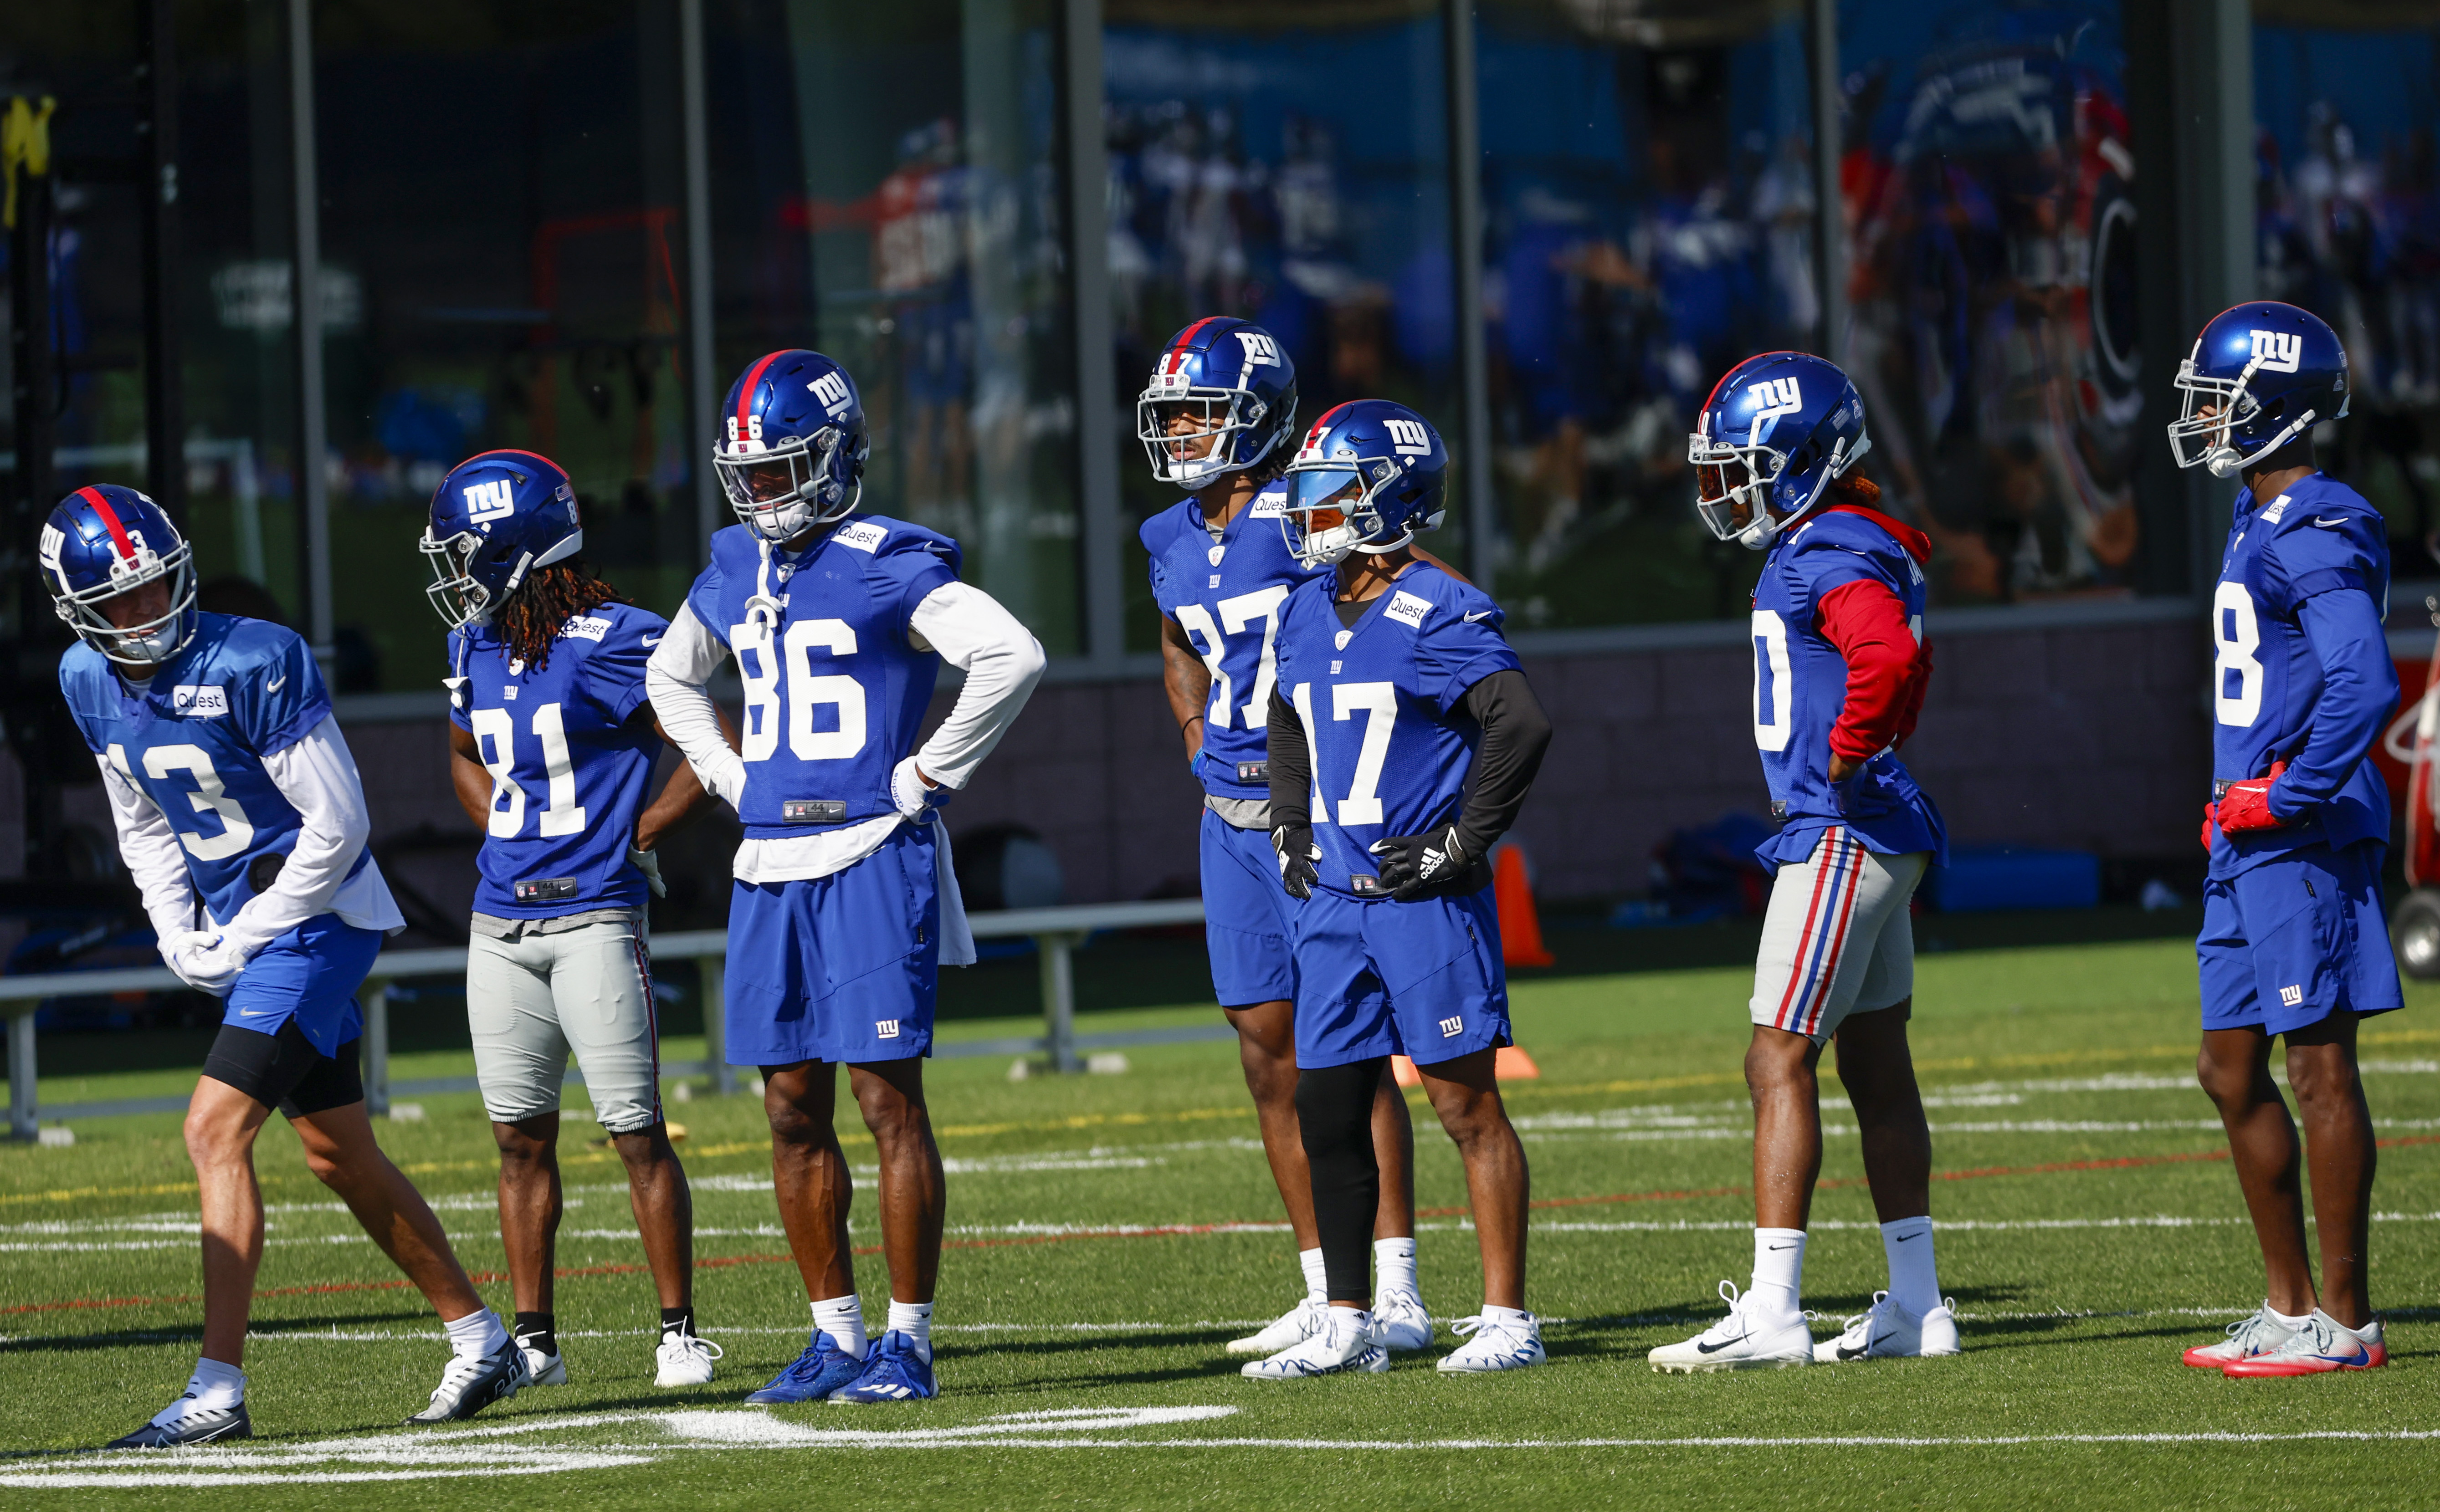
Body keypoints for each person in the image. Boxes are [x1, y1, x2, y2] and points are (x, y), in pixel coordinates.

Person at [43, 485, 526, 1446]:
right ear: (79, 610)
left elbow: (341, 826)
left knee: (213, 1129)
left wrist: (250, 928)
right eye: (122, 601)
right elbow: (139, 817)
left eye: (157, 587)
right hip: (245, 923)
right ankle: (481, 1339)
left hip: (318, 916)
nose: (146, 612)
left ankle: (217, 1389)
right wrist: (176, 928)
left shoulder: (255, 656)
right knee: (336, 1151)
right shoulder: (85, 677)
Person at [646, 349, 1045, 1403]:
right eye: (751, 473)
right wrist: (730, 776)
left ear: (834, 459)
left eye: (783, 469)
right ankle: (834, 1337)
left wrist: (926, 775)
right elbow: (669, 675)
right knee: (787, 1104)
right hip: (769, 858)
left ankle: (907, 1343)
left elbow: (1011, 655)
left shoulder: (887, 556)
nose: (763, 491)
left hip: (870, 849)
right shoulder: (732, 562)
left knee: (883, 1098)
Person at [1647, 352, 1957, 1373]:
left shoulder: (1824, 544)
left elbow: (1887, 656)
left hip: (1838, 825)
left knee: (1775, 1054)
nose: (1722, 486)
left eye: (1740, 465)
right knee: (1873, 1060)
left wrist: (1844, 750)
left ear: (1802, 459)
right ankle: (1916, 1303)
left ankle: (1773, 1307)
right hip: (1873, 825)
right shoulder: (1848, 536)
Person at [1136, 317, 1435, 1357]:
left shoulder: (1303, 516)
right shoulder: (1169, 538)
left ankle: (1391, 1286)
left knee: (1345, 1051)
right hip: (1228, 817)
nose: (1176, 430)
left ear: (1253, 417)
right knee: (1267, 1051)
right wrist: (1192, 736)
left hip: (1316, 813)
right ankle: (1322, 1285)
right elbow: (1177, 642)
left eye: (1195, 410)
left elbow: (1398, 597)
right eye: (1168, 412)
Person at [1253, 400, 1553, 1379]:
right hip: (1334, 902)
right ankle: (1345, 1318)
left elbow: (1519, 724)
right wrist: (1290, 823)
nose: (1310, 511)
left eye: (1331, 491)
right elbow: (1285, 719)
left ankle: (1507, 1317)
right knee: (1330, 1108)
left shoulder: (1440, 606)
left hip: (1421, 902)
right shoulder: (1303, 605)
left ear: (1392, 495)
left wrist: (1461, 843)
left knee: (1466, 1109)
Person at [420, 449, 722, 1390]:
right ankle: (536, 1344)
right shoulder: (471, 644)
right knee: (518, 1136)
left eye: (468, 551)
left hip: (595, 913)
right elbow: (466, 751)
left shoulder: (619, 636)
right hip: (500, 920)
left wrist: (647, 825)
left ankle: (676, 1331)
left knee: (635, 1130)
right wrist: (499, 822)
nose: (455, 571)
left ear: (518, 546)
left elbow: (718, 735)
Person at [2171, 301, 2400, 1375]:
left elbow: (2363, 677)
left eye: (2218, 400)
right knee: (2227, 1068)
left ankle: (2343, 1322)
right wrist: (2233, 791)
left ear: (2274, 407)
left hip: (2296, 834)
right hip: (2246, 833)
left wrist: (2288, 791)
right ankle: (2286, 1305)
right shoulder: (2255, 514)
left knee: (2315, 1067)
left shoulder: (2317, 519)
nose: (2204, 419)